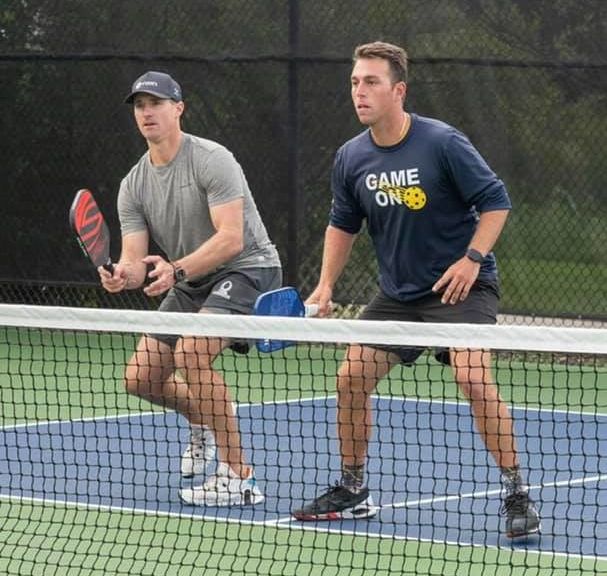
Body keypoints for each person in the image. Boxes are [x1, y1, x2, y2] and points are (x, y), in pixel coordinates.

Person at [291, 42, 541, 538]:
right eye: (355, 83)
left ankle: (516, 493)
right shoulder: (351, 157)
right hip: (398, 295)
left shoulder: (442, 142)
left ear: (398, 90)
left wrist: (472, 260)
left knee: (472, 379)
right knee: (350, 379)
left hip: (460, 287)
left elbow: (496, 201)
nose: (360, 92)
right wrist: (323, 286)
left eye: (371, 82)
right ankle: (353, 486)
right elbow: (343, 224)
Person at [99, 70, 282, 507]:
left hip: (248, 268)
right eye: (140, 106)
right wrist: (121, 275)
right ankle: (204, 417)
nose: (147, 113)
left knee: (192, 353)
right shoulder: (133, 185)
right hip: (192, 279)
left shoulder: (211, 159)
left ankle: (239, 476)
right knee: (140, 379)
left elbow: (231, 238)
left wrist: (175, 270)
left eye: (156, 104)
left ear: (178, 108)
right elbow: (135, 260)